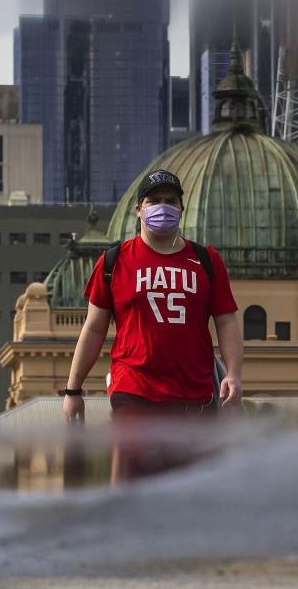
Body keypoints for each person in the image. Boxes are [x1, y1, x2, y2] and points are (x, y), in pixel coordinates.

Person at [60, 169, 244, 479]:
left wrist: (235, 374)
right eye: (154, 200)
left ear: (182, 209)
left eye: (171, 201)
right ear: (138, 210)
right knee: (130, 480)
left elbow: (226, 321)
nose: (163, 207)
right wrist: (72, 390)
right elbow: (93, 329)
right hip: (134, 389)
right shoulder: (114, 261)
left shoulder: (206, 260)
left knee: (189, 490)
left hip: (193, 395)